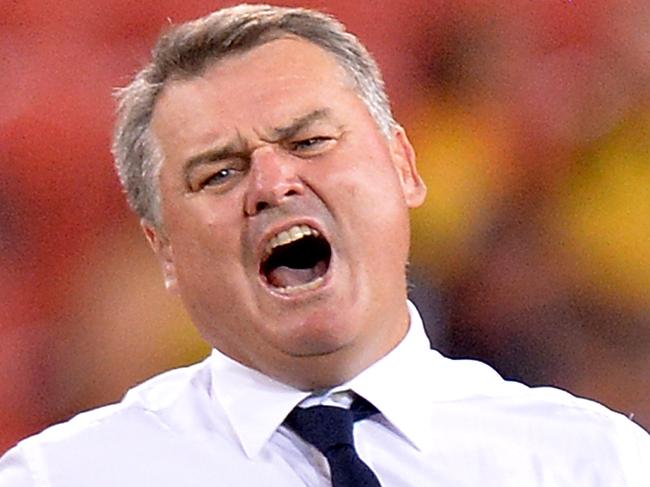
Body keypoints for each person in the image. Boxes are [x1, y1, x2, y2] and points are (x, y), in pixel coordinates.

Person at [1, 4, 648, 486]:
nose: (274, 182)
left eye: (310, 142)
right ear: (164, 248)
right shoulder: (62, 477)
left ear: (404, 166)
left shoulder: (595, 463)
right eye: (218, 172)